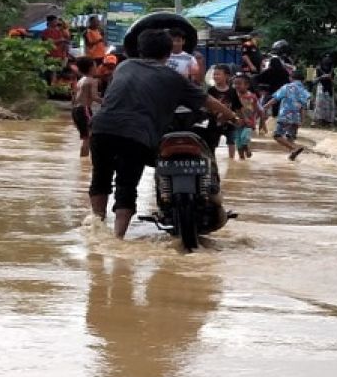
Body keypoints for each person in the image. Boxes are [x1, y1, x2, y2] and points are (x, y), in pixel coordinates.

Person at [88, 28, 238, 239]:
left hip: (101, 128)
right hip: (136, 134)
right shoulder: (173, 77)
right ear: (169, 53)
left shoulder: (123, 67)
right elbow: (207, 101)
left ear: (140, 50)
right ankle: (117, 238)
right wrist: (233, 116)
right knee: (126, 185)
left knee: (100, 179)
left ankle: (98, 228)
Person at [261, 71, 311, 160]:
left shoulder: (287, 87)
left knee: (277, 135)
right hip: (296, 118)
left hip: (285, 116)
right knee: (290, 138)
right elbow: (303, 107)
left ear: (291, 78)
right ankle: (292, 157)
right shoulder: (304, 91)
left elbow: (275, 99)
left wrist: (265, 106)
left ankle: (294, 148)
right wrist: (302, 120)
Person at [206, 64, 242, 159]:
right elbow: (206, 106)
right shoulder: (211, 91)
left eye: (218, 74)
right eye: (214, 74)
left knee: (231, 141)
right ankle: (211, 159)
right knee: (212, 143)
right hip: (214, 122)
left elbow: (238, 107)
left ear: (227, 76)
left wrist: (241, 119)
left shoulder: (232, 91)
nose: (215, 76)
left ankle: (232, 160)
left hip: (230, 122)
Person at [71, 56, 101, 158]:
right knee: (89, 138)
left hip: (75, 110)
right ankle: (84, 163)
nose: (97, 68)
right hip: (84, 110)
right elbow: (94, 96)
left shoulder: (81, 80)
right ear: (91, 68)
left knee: (85, 137)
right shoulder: (92, 81)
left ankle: (83, 162)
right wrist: (107, 102)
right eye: (95, 66)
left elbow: (74, 97)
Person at [232, 73, 260, 159]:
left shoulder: (252, 96)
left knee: (244, 138)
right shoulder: (234, 96)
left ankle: (247, 148)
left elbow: (256, 109)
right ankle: (242, 159)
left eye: (239, 83)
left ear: (247, 85)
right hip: (236, 122)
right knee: (238, 143)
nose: (237, 86)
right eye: (235, 83)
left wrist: (254, 121)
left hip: (248, 122)